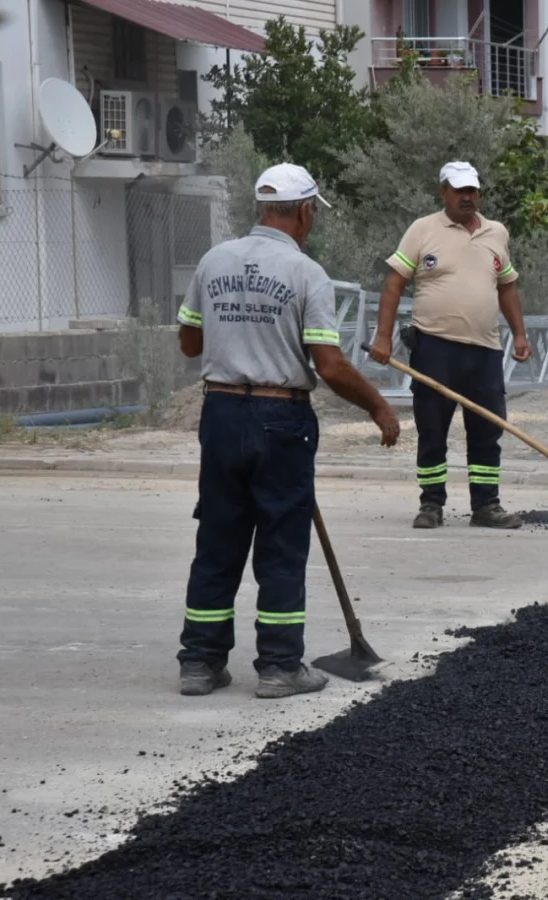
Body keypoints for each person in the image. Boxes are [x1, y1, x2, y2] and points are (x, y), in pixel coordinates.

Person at [175, 163, 402, 699]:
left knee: (218, 540)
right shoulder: (306, 274)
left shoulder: (214, 260)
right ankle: (279, 667)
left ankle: (200, 664)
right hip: (282, 417)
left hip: (222, 413)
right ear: (304, 212)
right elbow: (329, 364)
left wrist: (237, 336)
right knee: (280, 543)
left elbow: (188, 343)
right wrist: (378, 407)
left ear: (262, 208)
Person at [368, 161, 531, 530]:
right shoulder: (423, 230)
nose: (467, 197)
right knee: (432, 426)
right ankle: (431, 504)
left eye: (472, 190)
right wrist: (383, 335)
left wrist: (519, 334)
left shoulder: (496, 233)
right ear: (443, 193)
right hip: (435, 348)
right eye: (459, 191)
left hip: (486, 350)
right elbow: (394, 284)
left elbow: (507, 286)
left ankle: (486, 505)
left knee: (488, 427)